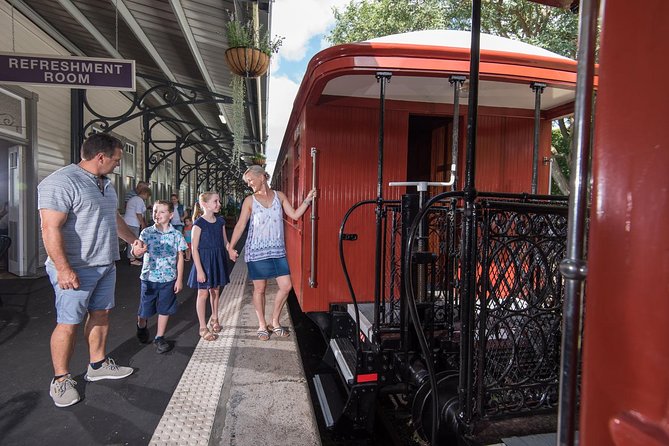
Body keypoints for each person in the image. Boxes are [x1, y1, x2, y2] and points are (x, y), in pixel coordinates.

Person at [38, 132, 147, 408]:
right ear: (101, 157)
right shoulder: (61, 182)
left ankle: (97, 365)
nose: (118, 165)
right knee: (69, 322)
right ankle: (61, 380)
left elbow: (114, 218)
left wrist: (132, 240)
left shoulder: (106, 185)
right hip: (75, 268)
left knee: (101, 313)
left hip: (104, 264)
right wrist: (63, 269)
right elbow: (50, 227)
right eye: (116, 160)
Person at [227, 165, 316, 341]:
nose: (249, 183)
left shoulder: (279, 196)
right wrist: (231, 247)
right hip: (257, 252)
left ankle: (274, 321)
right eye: (247, 182)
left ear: (262, 177)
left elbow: (295, 215)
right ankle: (262, 324)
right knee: (260, 289)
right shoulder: (249, 201)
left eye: (251, 180)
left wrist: (307, 200)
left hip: (277, 251)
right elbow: (240, 225)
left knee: (286, 286)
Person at [132, 200, 187, 354]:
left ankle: (159, 337)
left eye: (162, 211)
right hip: (149, 278)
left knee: (165, 308)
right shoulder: (146, 232)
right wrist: (136, 252)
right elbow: (136, 249)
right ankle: (141, 326)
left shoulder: (176, 234)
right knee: (145, 310)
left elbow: (180, 257)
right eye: (155, 211)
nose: (157, 214)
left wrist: (179, 279)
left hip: (168, 279)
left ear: (171, 215)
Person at [187, 192, 231, 341]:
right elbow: (194, 249)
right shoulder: (198, 224)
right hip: (204, 262)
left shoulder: (220, 222)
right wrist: (199, 269)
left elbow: (225, 242)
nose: (219, 204)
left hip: (217, 259)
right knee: (203, 294)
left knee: (215, 291)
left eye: (218, 201)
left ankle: (214, 318)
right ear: (205, 205)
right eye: (215, 201)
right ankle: (202, 327)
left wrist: (230, 250)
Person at [124, 184, 151, 266]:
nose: (147, 198)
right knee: (133, 240)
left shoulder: (134, 199)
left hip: (128, 221)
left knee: (131, 240)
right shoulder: (139, 200)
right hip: (133, 222)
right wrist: (142, 223)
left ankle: (133, 256)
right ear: (145, 194)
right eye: (148, 196)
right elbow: (138, 213)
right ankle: (132, 259)